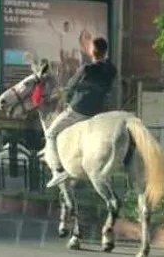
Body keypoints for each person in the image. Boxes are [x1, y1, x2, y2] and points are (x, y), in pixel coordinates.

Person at [44, 37, 118, 188]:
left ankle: (58, 170)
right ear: (105, 51)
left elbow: (70, 87)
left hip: (79, 109)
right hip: (98, 112)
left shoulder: (86, 69)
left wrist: (64, 99)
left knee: (50, 133)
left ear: (93, 51)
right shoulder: (112, 69)